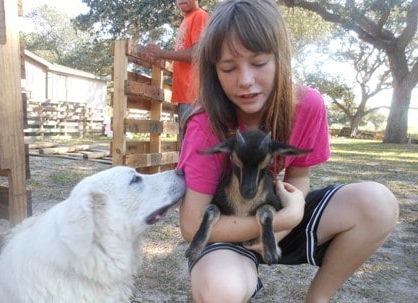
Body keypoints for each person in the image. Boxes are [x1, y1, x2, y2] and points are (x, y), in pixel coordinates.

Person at [176, 0, 399, 302]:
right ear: (213, 70)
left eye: (258, 63)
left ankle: (317, 299)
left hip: (275, 212)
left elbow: (299, 176)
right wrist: (277, 222)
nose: (245, 81)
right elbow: (192, 225)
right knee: (221, 288)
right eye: (228, 67)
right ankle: (237, 269)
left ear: (281, 58)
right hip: (225, 228)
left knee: (377, 203)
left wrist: (291, 215)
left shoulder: (307, 105)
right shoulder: (205, 124)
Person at [145, 0, 209, 130]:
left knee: (190, 146)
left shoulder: (199, 16)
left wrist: (162, 53)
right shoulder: (186, 20)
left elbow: (197, 53)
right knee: (185, 144)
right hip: (185, 96)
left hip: (194, 96)